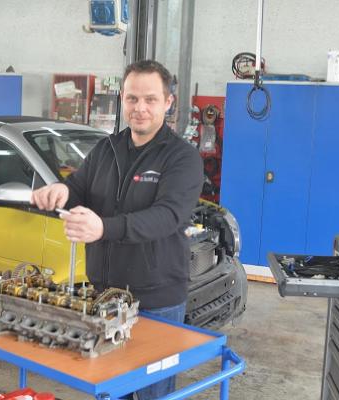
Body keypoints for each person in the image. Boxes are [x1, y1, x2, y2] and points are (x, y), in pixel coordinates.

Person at [31, 60, 203, 399]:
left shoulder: (182, 158)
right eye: (132, 98)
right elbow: (79, 188)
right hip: (105, 296)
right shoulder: (105, 149)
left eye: (150, 99)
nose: (140, 108)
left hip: (155, 300)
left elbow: (167, 216)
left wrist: (103, 228)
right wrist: (61, 191)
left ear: (168, 102)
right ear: (122, 98)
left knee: (153, 392)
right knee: (110, 389)